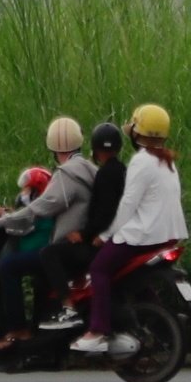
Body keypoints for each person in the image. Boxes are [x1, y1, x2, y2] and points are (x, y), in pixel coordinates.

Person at [69, 104, 188, 356]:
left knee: (99, 269)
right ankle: (158, 325)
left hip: (143, 235)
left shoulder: (141, 161)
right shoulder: (167, 161)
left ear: (137, 132)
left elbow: (128, 204)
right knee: (131, 277)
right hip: (168, 234)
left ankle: (98, 331)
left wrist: (105, 235)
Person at [0, 117, 89, 350]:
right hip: (82, 243)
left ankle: (19, 329)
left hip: (64, 249)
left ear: (54, 147)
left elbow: (38, 209)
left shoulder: (67, 173)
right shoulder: (89, 168)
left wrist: (0, 221)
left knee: (8, 266)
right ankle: (40, 324)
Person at [35, 121, 126, 332]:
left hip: (97, 241)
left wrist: (85, 234)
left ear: (94, 149)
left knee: (49, 253)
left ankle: (69, 309)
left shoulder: (102, 174)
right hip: (113, 238)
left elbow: (105, 213)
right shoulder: (120, 171)